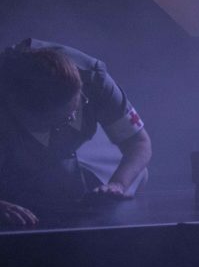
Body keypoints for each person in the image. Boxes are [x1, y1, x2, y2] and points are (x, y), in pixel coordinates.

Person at [0, 40, 152, 227]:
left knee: (135, 175)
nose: (69, 122)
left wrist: (118, 184)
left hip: (70, 165)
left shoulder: (94, 79)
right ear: (17, 109)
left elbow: (138, 143)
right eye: (54, 121)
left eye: (73, 112)